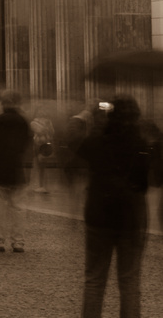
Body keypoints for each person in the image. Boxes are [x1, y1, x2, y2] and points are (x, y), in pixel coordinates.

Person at [78, 96, 157, 317]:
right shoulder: (141, 144)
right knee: (130, 280)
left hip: (98, 214)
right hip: (131, 217)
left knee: (94, 279)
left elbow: (79, 159)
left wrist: (95, 121)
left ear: (110, 114)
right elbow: (148, 181)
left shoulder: (96, 140)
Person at [0, 90, 34, 253]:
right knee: (18, 207)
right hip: (17, 169)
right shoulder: (23, 121)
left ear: (3, 104)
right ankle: (18, 242)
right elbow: (27, 145)